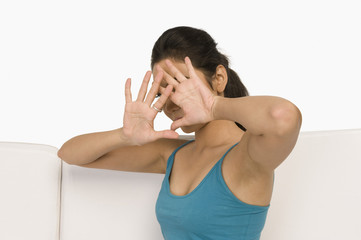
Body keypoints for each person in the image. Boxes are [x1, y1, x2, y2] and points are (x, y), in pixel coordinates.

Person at [58, 26, 302, 240]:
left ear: (219, 78)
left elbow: (283, 117)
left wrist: (214, 107)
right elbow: (70, 153)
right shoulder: (173, 154)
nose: (170, 102)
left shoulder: (247, 155)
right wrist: (124, 135)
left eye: (179, 86)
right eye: (161, 93)